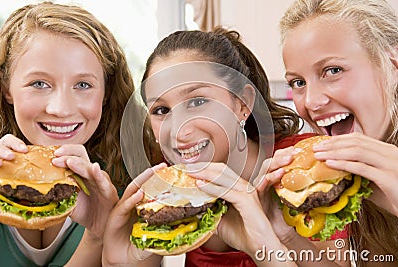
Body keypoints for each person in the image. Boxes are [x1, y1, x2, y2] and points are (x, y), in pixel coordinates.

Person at [103, 27, 315, 266]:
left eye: (197, 101)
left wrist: (268, 247)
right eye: (161, 111)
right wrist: (117, 260)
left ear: (242, 102)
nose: (178, 131)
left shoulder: (303, 167)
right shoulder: (164, 191)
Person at [0, 2, 143, 266]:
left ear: (106, 91)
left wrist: (99, 235)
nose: (61, 109)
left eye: (83, 84)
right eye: (39, 83)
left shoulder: (133, 190)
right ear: (6, 87)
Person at [270, 0, 398, 266]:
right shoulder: (352, 175)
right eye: (298, 82)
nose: (311, 101)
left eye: (333, 70)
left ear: (392, 63)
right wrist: (284, 233)